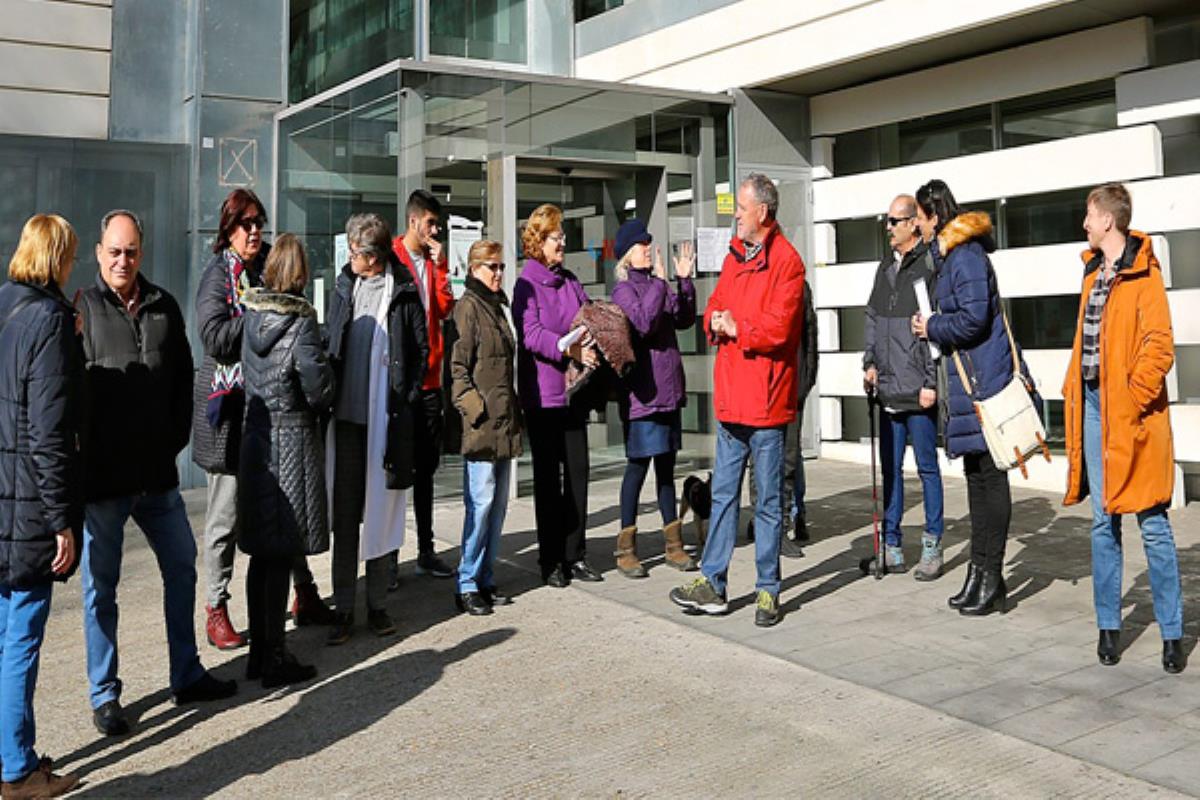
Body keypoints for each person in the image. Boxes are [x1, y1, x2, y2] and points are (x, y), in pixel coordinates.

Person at [78, 210, 237, 738]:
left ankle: (186, 674)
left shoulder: (163, 306)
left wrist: (174, 440)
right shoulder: (81, 310)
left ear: (140, 253)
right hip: (103, 481)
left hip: (157, 475)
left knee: (182, 567)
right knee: (101, 588)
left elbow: (185, 380)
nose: (123, 260)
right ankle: (105, 695)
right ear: (99, 253)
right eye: (114, 251)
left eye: (131, 251)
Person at [193, 189, 333, 650]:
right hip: (230, 412)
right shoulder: (218, 274)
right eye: (245, 223)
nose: (255, 231)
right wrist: (258, 318)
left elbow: (290, 307)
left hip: (271, 411)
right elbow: (212, 336)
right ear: (228, 228)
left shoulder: (268, 263)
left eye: (259, 222)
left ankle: (304, 592)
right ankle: (216, 607)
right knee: (225, 518)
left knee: (286, 511)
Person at [669, 173, 807, 627]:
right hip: (732, 401)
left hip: (767, 403)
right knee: (724, 495)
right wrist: (719, 321)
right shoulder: (733, 258)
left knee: (768, 502)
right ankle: (714, 582)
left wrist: (735, 326)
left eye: (741, 210)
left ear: (762, 213)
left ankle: (768, 590)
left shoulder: (787, 262)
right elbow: (713, 311)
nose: (736, 218)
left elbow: (778, 328)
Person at [1063, 183, 1185, 674]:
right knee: (1101, 520)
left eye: (1089, 216)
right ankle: (1108, 627)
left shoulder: (1144, 274)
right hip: (1094, 406)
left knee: (1152, 521)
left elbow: (1160, 346)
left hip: (1132, 413)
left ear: (1107, 220)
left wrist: (1132, 398)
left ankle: (1173, 632)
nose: (1085, 224)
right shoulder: (1093, 272)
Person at [0, 214, 83, 798]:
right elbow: (49, 433)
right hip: (28, 505)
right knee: (21, 639)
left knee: (4, 634)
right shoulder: (49, 321)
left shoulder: (3, 305)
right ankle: (16, 771)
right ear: (58, 260)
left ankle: (13, 754)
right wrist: (61, 521)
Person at [911, 179, 1021, 616]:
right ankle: (981, 573)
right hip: (970, 380)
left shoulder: (967, 256)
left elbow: (974, 319)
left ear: (935, 216)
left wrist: (932, 326)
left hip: (985, 380)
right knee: (978, 477)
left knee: (991, 477)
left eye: (919, 218)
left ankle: (991, 575)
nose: (917, 227)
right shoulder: (953, 257)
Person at [325, 213, 428, 644]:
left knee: (382, 516)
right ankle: (344, 608)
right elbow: (332, 337)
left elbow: (420, 350)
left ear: (377, 255)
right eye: (349, 252)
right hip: (347, 421)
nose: (352, 259)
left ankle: (378, 607)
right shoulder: (343, 285)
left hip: (387, 422)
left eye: (358, 253)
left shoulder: (402, 290)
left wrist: (402, 396)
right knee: (346, 518)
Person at [239, 234, 334, 685]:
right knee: (278, 556)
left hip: (255, 443)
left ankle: (259, 654)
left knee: (261, 556)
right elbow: (319, 391)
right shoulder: (301, 326)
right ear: (299, 273)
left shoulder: (250, 317)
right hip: (291, 443)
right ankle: (275, 657)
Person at [512, 204, 601, 587]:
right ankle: (550, 560)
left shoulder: (569, 280)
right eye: (555, 237)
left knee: (577, 475)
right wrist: (567, 348)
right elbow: (530, 333)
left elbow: (588, 315)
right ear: (538, 242)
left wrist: (595, 337)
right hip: (543, 395)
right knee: (548, 482)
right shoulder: (525, 284)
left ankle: (574, 554)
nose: (562, 242)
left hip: (573, 394)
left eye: (562, 236)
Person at [609, 218, 697, 578]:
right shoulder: (624, 290)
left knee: (666, 470)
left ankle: (673, 545)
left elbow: (684, 319)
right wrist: (662, 283)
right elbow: (644, 323)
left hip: (668, 390)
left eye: (649, 242)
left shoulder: (657, 285)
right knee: (637, 468)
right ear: (628, 255)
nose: (649, 247)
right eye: (642, 244)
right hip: (642, 394)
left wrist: (684, 281)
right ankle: (626, 547)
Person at [862, 194, 944, 580]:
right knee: (890, 469)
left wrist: (931, 382)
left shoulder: (927, 266)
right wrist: (870, 362)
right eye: (887, 220)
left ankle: (932, 545)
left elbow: (932, 328)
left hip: (917, 388)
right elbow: (873, 318)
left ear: (913, 223)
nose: (889, 227)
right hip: (888, 387)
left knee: (927, 468)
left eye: (895, 220)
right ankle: (890, 546)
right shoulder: (884, 269)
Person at [448, 240, 522, 615]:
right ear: (474, 269)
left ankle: (486, 578)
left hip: (504, 422)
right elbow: (457, 371)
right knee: (480, 503)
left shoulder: (497, 307)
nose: (497, 273)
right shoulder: (468, 309)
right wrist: (476, 412)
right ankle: (467, 581)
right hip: (482, 425)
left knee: (497, 508)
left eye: (501, 267)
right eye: (490, 267)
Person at [390, 190, 455, 582]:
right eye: (430, 223)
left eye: (437, 224)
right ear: (414, 221)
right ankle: (390, 558)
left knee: (427, 470)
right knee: (399, 471)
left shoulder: (432, 263)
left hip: (431, 379)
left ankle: (427, 549)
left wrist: (442, 265)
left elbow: (445, 308)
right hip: (402, 383)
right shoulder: (394, 257)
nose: (434, 230)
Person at [746, 275, 818, 554]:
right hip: (761, 385)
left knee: (787, 459)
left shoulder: (798, 284)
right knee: (760, 458)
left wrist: (807, 377)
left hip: (792, 385)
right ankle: (761, 521)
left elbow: (809, 333)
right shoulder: (755, 281)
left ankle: (782, 525)